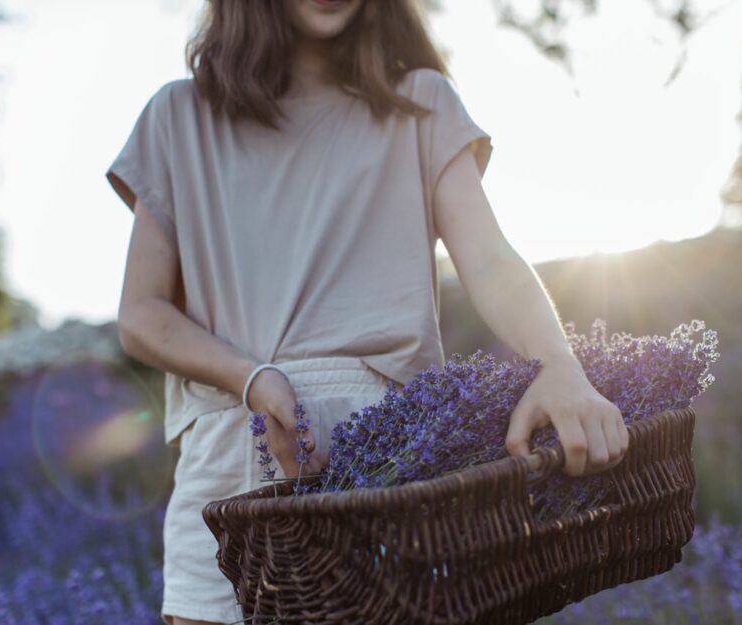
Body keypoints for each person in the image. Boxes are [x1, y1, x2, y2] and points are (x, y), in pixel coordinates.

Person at [105, 0, 629, 623]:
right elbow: (142, 313)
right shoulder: (177, 117)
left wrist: (560, 365)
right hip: (228, 456)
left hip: (391, 457)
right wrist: (251, 379)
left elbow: (489, 259)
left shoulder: (420, 103)